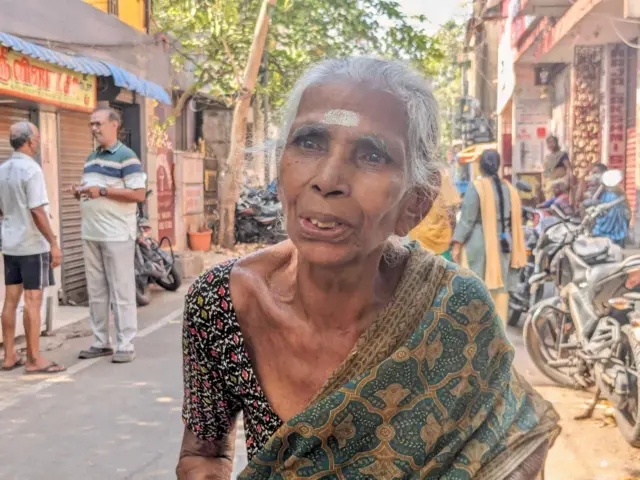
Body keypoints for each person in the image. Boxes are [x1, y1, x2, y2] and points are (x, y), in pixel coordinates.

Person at [177, 57, 559, 480]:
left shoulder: (454, 312)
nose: (328, 178)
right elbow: (203, 454)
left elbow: (511, 455)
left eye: (372, 154)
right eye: (309, 141)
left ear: (416, 202)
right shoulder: (221, 304)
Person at [74, 106, 146, 363]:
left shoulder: (127, 157)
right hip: (91, 233)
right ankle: (100, 341)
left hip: (116, 234)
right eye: (91, 124)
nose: (94, 128)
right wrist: (81, 191)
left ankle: (125, 343)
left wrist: (102, 192)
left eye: (98, 124)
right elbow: (93, 188)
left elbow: (139, 194)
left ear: (114, 125)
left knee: (121, 290)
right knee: (96, 291)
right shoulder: (91, 157)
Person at [0, 122, 65, 374]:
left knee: (10, 300)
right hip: (31, 244)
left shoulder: (3, 169)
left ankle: (9, 356)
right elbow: (37, 211)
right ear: (28, 142)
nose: (38, 142)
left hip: (11, 243)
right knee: (32, 300)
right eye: (36, 138)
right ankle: (34, 359)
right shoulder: (32, 170)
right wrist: (53, 243)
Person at [451, 150, 526, 321]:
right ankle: (498, 334)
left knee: (476, 288)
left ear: (480, 166)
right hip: (505, 244)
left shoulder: (476, 187)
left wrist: (456, 244)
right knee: (500, 291)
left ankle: (477, 333)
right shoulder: (510, 189)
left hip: (479, 245)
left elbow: (467, 220)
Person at [407, 167, 460, 261]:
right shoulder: (442, 177)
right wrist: (454, 236)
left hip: (419, 242)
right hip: (442, 242)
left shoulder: (413, 177)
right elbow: (451, 210)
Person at [591, 169, 630, 247]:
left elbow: (623, 198)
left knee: (615, 225)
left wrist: (609, 205)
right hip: (606, 209)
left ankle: (615, 242)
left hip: (615, 210)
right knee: (605, 223)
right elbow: (594, 198)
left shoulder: (617, 189)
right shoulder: (604, 188)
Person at [543, 135, 571, 201]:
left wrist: (568, 179)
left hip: (560, 182)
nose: (551, 144)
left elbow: (568, 168)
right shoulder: (547, 157)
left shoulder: (562, 154)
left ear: (556, 143)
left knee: (559, 201)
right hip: (549, 183)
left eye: (553, 142)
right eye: (549, 143)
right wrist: (543, 183)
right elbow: (546, 172)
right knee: (549, 201)